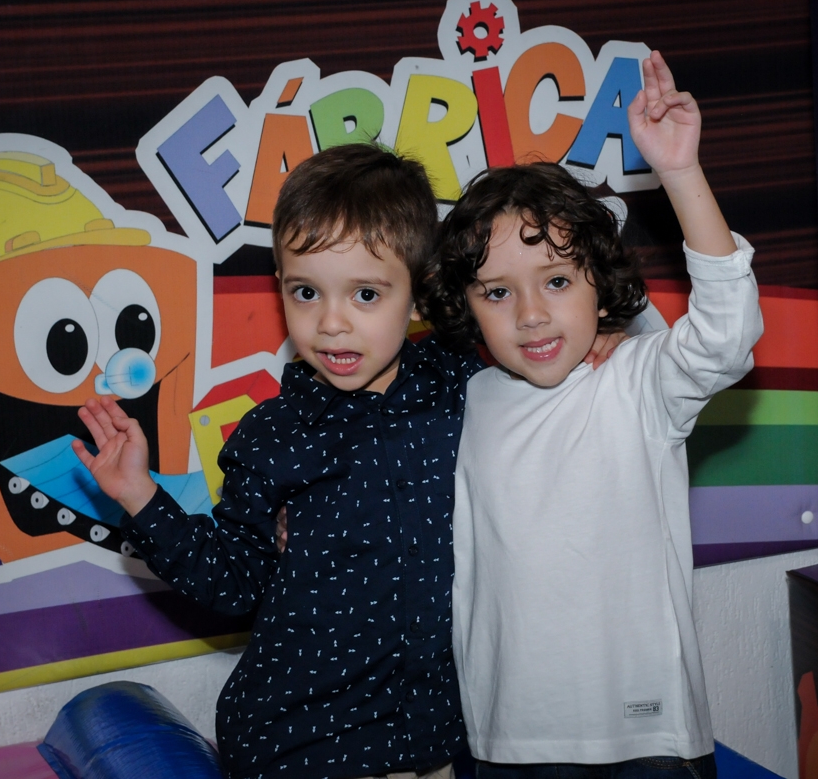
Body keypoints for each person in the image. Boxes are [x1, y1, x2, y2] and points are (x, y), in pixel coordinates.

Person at [70, 143, 620, 779]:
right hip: (304, 739)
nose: (331, 323)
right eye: (306, 292)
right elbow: (234, 585)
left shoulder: (468, 387)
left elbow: (542, 346)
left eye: (365, 294)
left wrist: (594, 340)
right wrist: (139, 495)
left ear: (418, 297)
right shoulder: (272, 436)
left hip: (442, 736)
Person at [422, 51, 763, 779]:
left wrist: (679, 172)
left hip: (646, 736)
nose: (533, 313)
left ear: (596, 286)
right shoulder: (466, 400)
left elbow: (727, 334)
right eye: (496, 292)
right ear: (465, 305)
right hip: (506, 737)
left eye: (555, 280)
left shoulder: (638, 379)